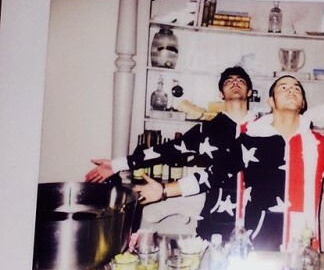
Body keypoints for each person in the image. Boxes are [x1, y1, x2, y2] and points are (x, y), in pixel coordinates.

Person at [136, 75, 324, 251]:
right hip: (253, 245)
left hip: (302, 247)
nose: (291, 90)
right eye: (283, 87)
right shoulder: (249, 139)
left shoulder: (319, 144)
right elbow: (211, 176)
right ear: (270, 102)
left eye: (297, 88)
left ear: (303, 103)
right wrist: (164, 191)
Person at [85, 66, 256, 239]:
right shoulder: (208, 129)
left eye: (240, 81)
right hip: (216, 219)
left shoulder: (264, 129)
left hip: (257, 219)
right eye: (228, 81)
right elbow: (167, 150)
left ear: (249, 92)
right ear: (221, 94)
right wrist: (116, 165)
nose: (235, 83)